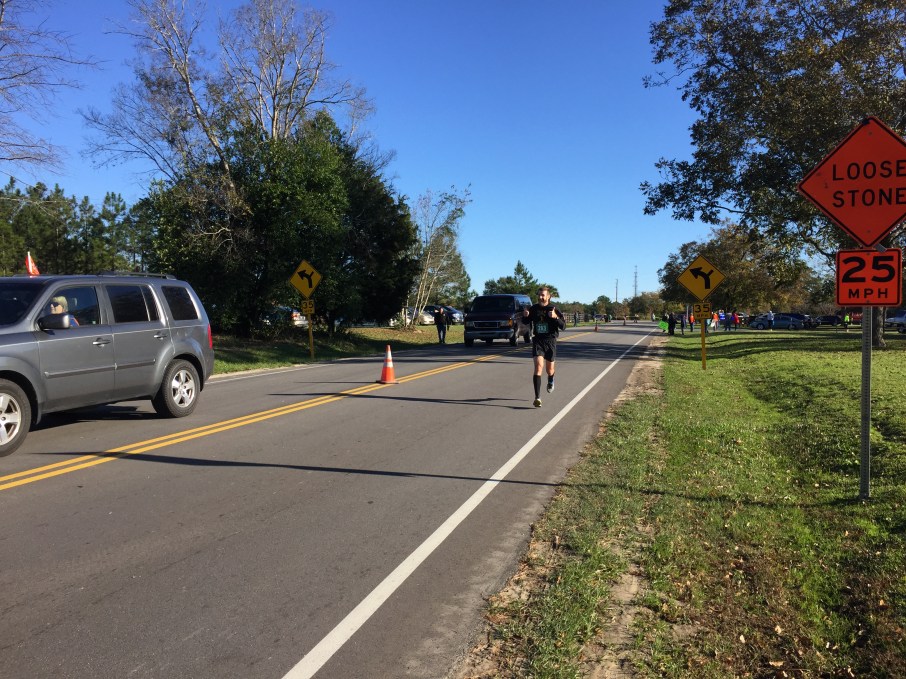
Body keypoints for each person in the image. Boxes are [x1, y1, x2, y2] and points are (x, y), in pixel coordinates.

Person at [523, 286, 565, 408]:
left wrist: (555, 317)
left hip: (550, 341)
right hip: (538, 341)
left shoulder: (554, 308)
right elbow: (526, 322)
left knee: (549, 370)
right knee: (538, 367)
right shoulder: (534, 308)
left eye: (543, 295)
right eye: (539, 295)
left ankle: (551, 380)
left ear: (548, 296)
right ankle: (537, 398)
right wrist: (526, 316)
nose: (541, 297)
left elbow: (563, 326)